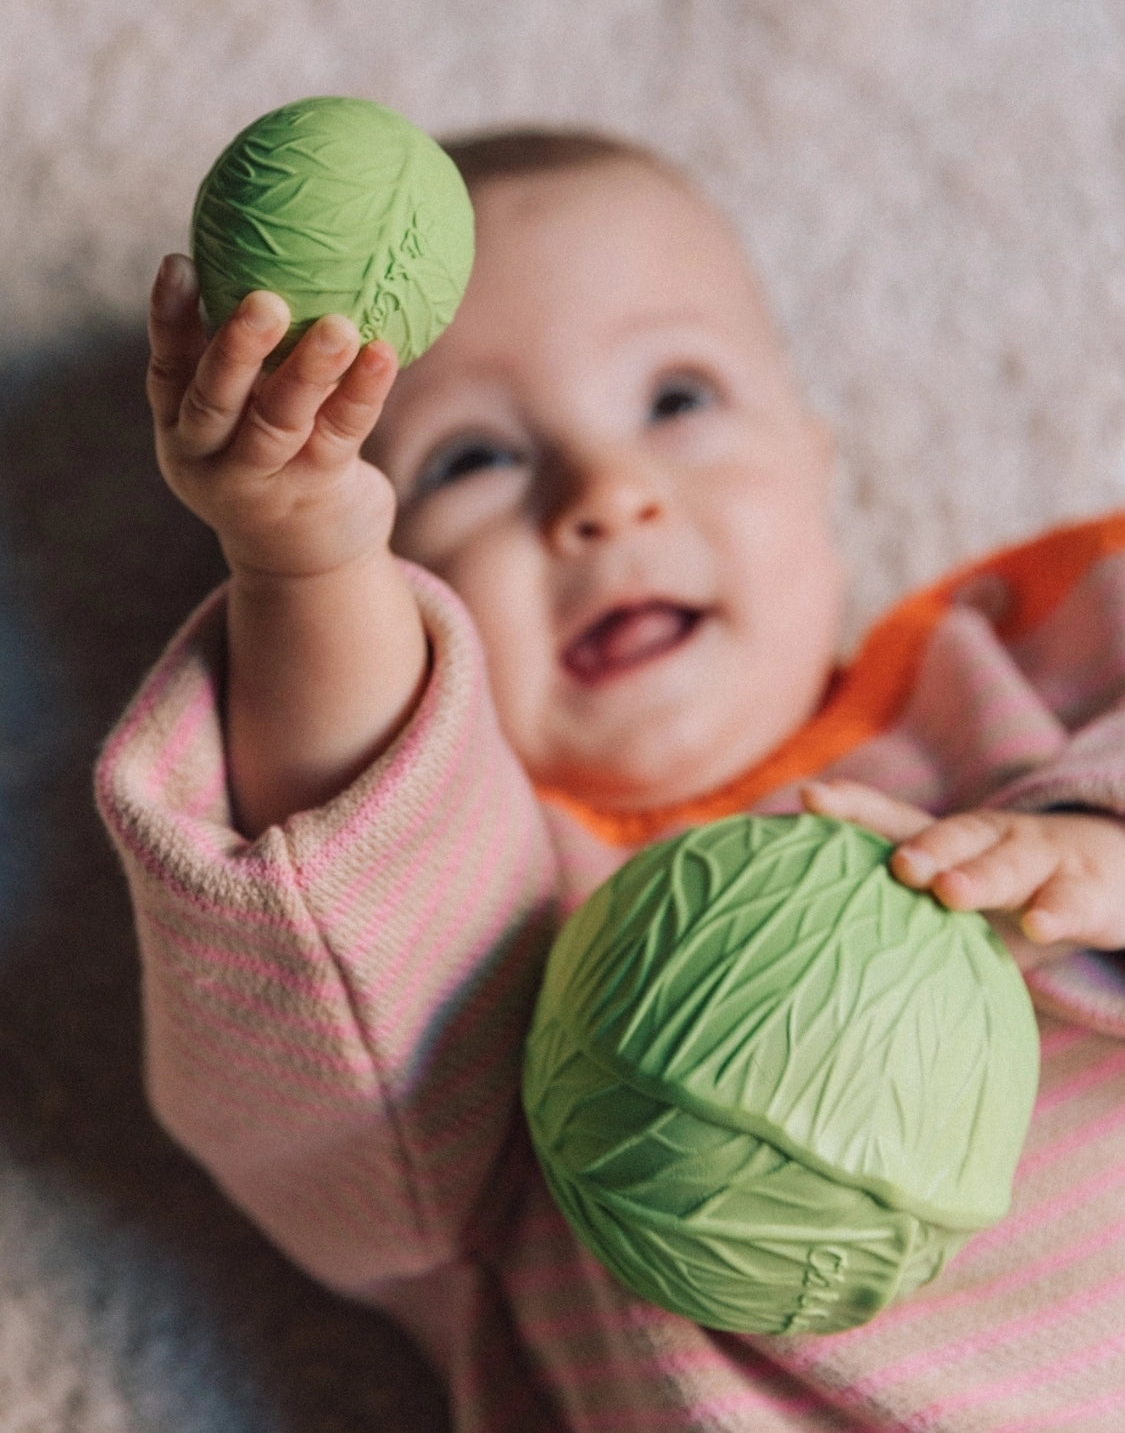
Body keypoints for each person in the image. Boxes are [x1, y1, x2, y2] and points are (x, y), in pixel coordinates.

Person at [97, 128, 1125, 1431]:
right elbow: (328, 968)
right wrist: (303, 567)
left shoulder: (1018, 681)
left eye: (676, 399)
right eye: (472, 459)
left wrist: (1097, 847)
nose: (606, 492)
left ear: (816, 460)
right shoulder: (494, 950)